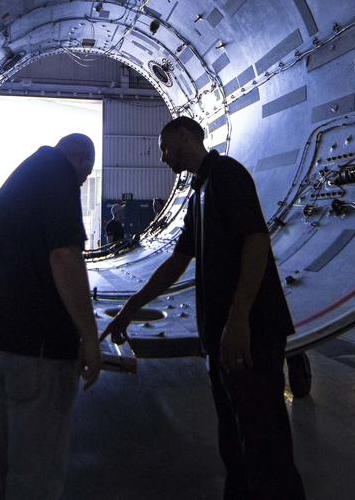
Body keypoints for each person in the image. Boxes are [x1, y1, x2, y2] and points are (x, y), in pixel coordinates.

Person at [102, 116, 304, 499]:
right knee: (236, 437)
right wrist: (130, 308)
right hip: (224, 338)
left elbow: (257, 241)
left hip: (251, 333)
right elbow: (176, 262)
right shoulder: (199, 194)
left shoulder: (227, 174)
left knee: (265, 441)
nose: (162, 158)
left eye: (164, 147)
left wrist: (240, 318)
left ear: (184, 136)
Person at [0, 133, 101, 500]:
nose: (83, 182)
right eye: (85, 175)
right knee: (36, 474)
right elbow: (64, 256)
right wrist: (89, 337)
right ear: (79, 158)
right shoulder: (59, 176)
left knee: (3, 461)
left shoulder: (21, 179)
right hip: (37, 351)